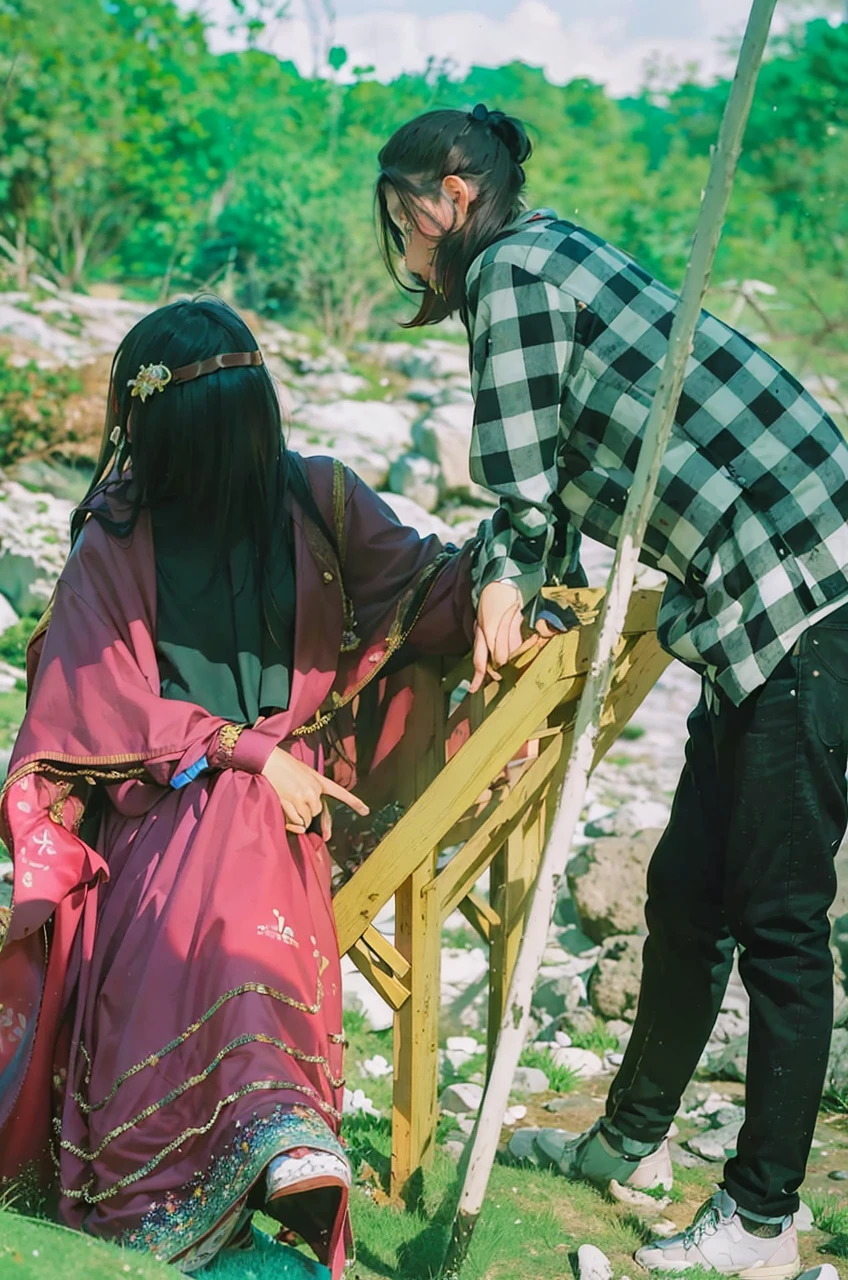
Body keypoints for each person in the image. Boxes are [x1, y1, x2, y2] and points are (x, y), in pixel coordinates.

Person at [375, 104, 848, 1279]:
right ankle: (629, 1140)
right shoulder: (552, 253)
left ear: (445, 193)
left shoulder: (513, 275)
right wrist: (519, 575)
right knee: (687, 891)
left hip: (808, 590)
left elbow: (527, 501)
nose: (402, 251)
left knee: (779, 918)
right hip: (743, 604)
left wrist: (504, 585)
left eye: (399, 221)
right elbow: (560, 511)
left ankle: (761, 1216)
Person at [0, 297, 476, 1275]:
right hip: (151, 815)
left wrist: (513, 569)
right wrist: (248, 751)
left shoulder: (318, 499)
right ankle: (272, 1130)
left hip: (317, 802)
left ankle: (268, 1135)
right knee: (237, 799)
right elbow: (86, 705)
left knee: (253, 805)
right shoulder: (119, 534)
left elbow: (431, 597)